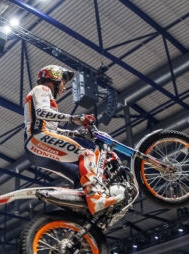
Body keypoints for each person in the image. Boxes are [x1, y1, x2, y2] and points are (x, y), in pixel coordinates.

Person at [23, 64, 122, 214]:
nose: (64, 88)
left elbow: (54, 131)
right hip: (37, 138)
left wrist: (77, 134)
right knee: (87, 153)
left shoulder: (45, 98)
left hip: (37, 148)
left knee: (78, 174)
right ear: (55, 78)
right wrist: (74, 118)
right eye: (64, 82)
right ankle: (95, 197)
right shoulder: (42, 89)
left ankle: (79, 213)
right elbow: (42, 112)